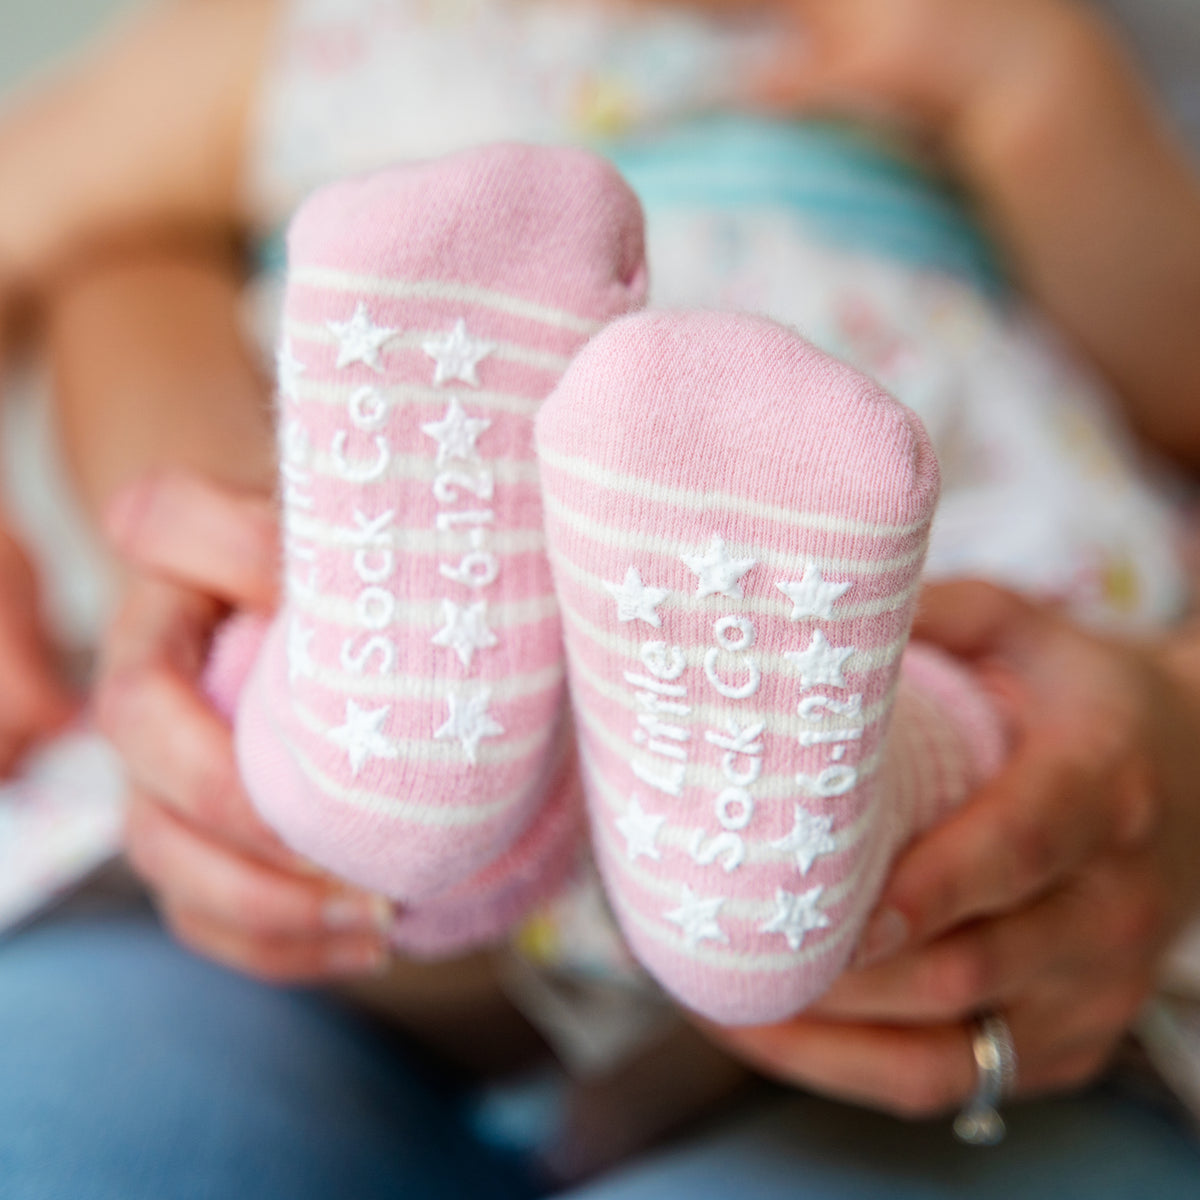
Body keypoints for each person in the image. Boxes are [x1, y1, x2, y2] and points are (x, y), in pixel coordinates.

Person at [2, 0, 1200, 1194]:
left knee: (940, 717)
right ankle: (409, 759)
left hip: (857, 691)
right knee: (335, 606)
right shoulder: (302, 40)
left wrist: (1030, 97)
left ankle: (809, 844)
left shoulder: (980, 44)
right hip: (429, 623)